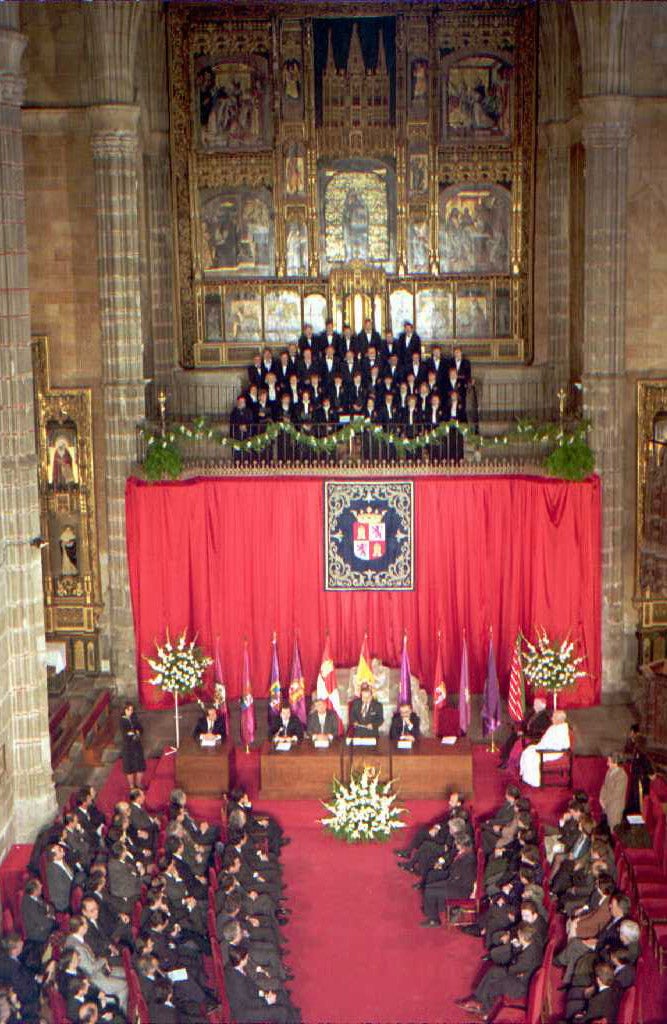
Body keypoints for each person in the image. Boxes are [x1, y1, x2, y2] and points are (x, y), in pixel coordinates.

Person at [519, 709, 570, 788]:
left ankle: (533, 781)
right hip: (545, 748)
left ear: (558, 719)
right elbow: (547, 740)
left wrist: (541, 747)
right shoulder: (555, 726)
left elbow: (565, 745)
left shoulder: (561, 729)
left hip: (552, 752)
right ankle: (526, 776)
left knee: (531, 756)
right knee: (527, 751)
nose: (551, 718)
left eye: (553, 717)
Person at [498, 697, 551, 769]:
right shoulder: (532, 712)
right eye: (534, 703)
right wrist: (521, 730)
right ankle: (505, 759)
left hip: (533, 737)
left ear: (542, 705)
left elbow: (541, 730)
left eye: (536, 704)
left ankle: (507, 761)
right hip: (526, 733)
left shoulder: (545, 716)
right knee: (512, 736)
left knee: (514, 739)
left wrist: (526, 733)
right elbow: (524, 723)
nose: (534, 705)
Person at [599, 753, 628, 832]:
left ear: (615, 763)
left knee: (613, 830)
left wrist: (605, 801)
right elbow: (604, 785)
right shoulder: (609, 771)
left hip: (615, 807)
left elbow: (616, 794)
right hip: (606, 805)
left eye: (609, 761)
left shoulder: (622, 775)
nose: (607, 763)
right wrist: (601, 798)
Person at [119, 701, 146, 788]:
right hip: (128, 746)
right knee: (129, 767)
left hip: (137, 744)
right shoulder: (122, 720)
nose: (130, 712)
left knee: (140, 765)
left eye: (132, 710)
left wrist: (137, 732)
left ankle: (138, 783)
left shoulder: (134, 717)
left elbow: (140, 728)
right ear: (124, 710)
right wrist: (135, 731)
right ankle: (131, 785)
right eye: (128, 710)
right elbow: (126, 733)